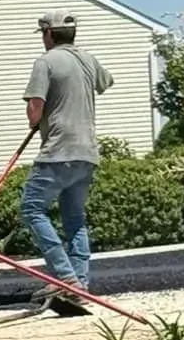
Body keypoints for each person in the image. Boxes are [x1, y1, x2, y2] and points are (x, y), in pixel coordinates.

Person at [19, 16, 114, 308]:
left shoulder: (46, 62)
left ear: (48, 34)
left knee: (32, 209)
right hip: (87, 153)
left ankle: (65, 277)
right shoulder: (88, 59)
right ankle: (80, 283)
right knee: (74, 218)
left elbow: (35, 109)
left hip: (58, 151)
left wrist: (37, 120)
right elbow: (105, 82)